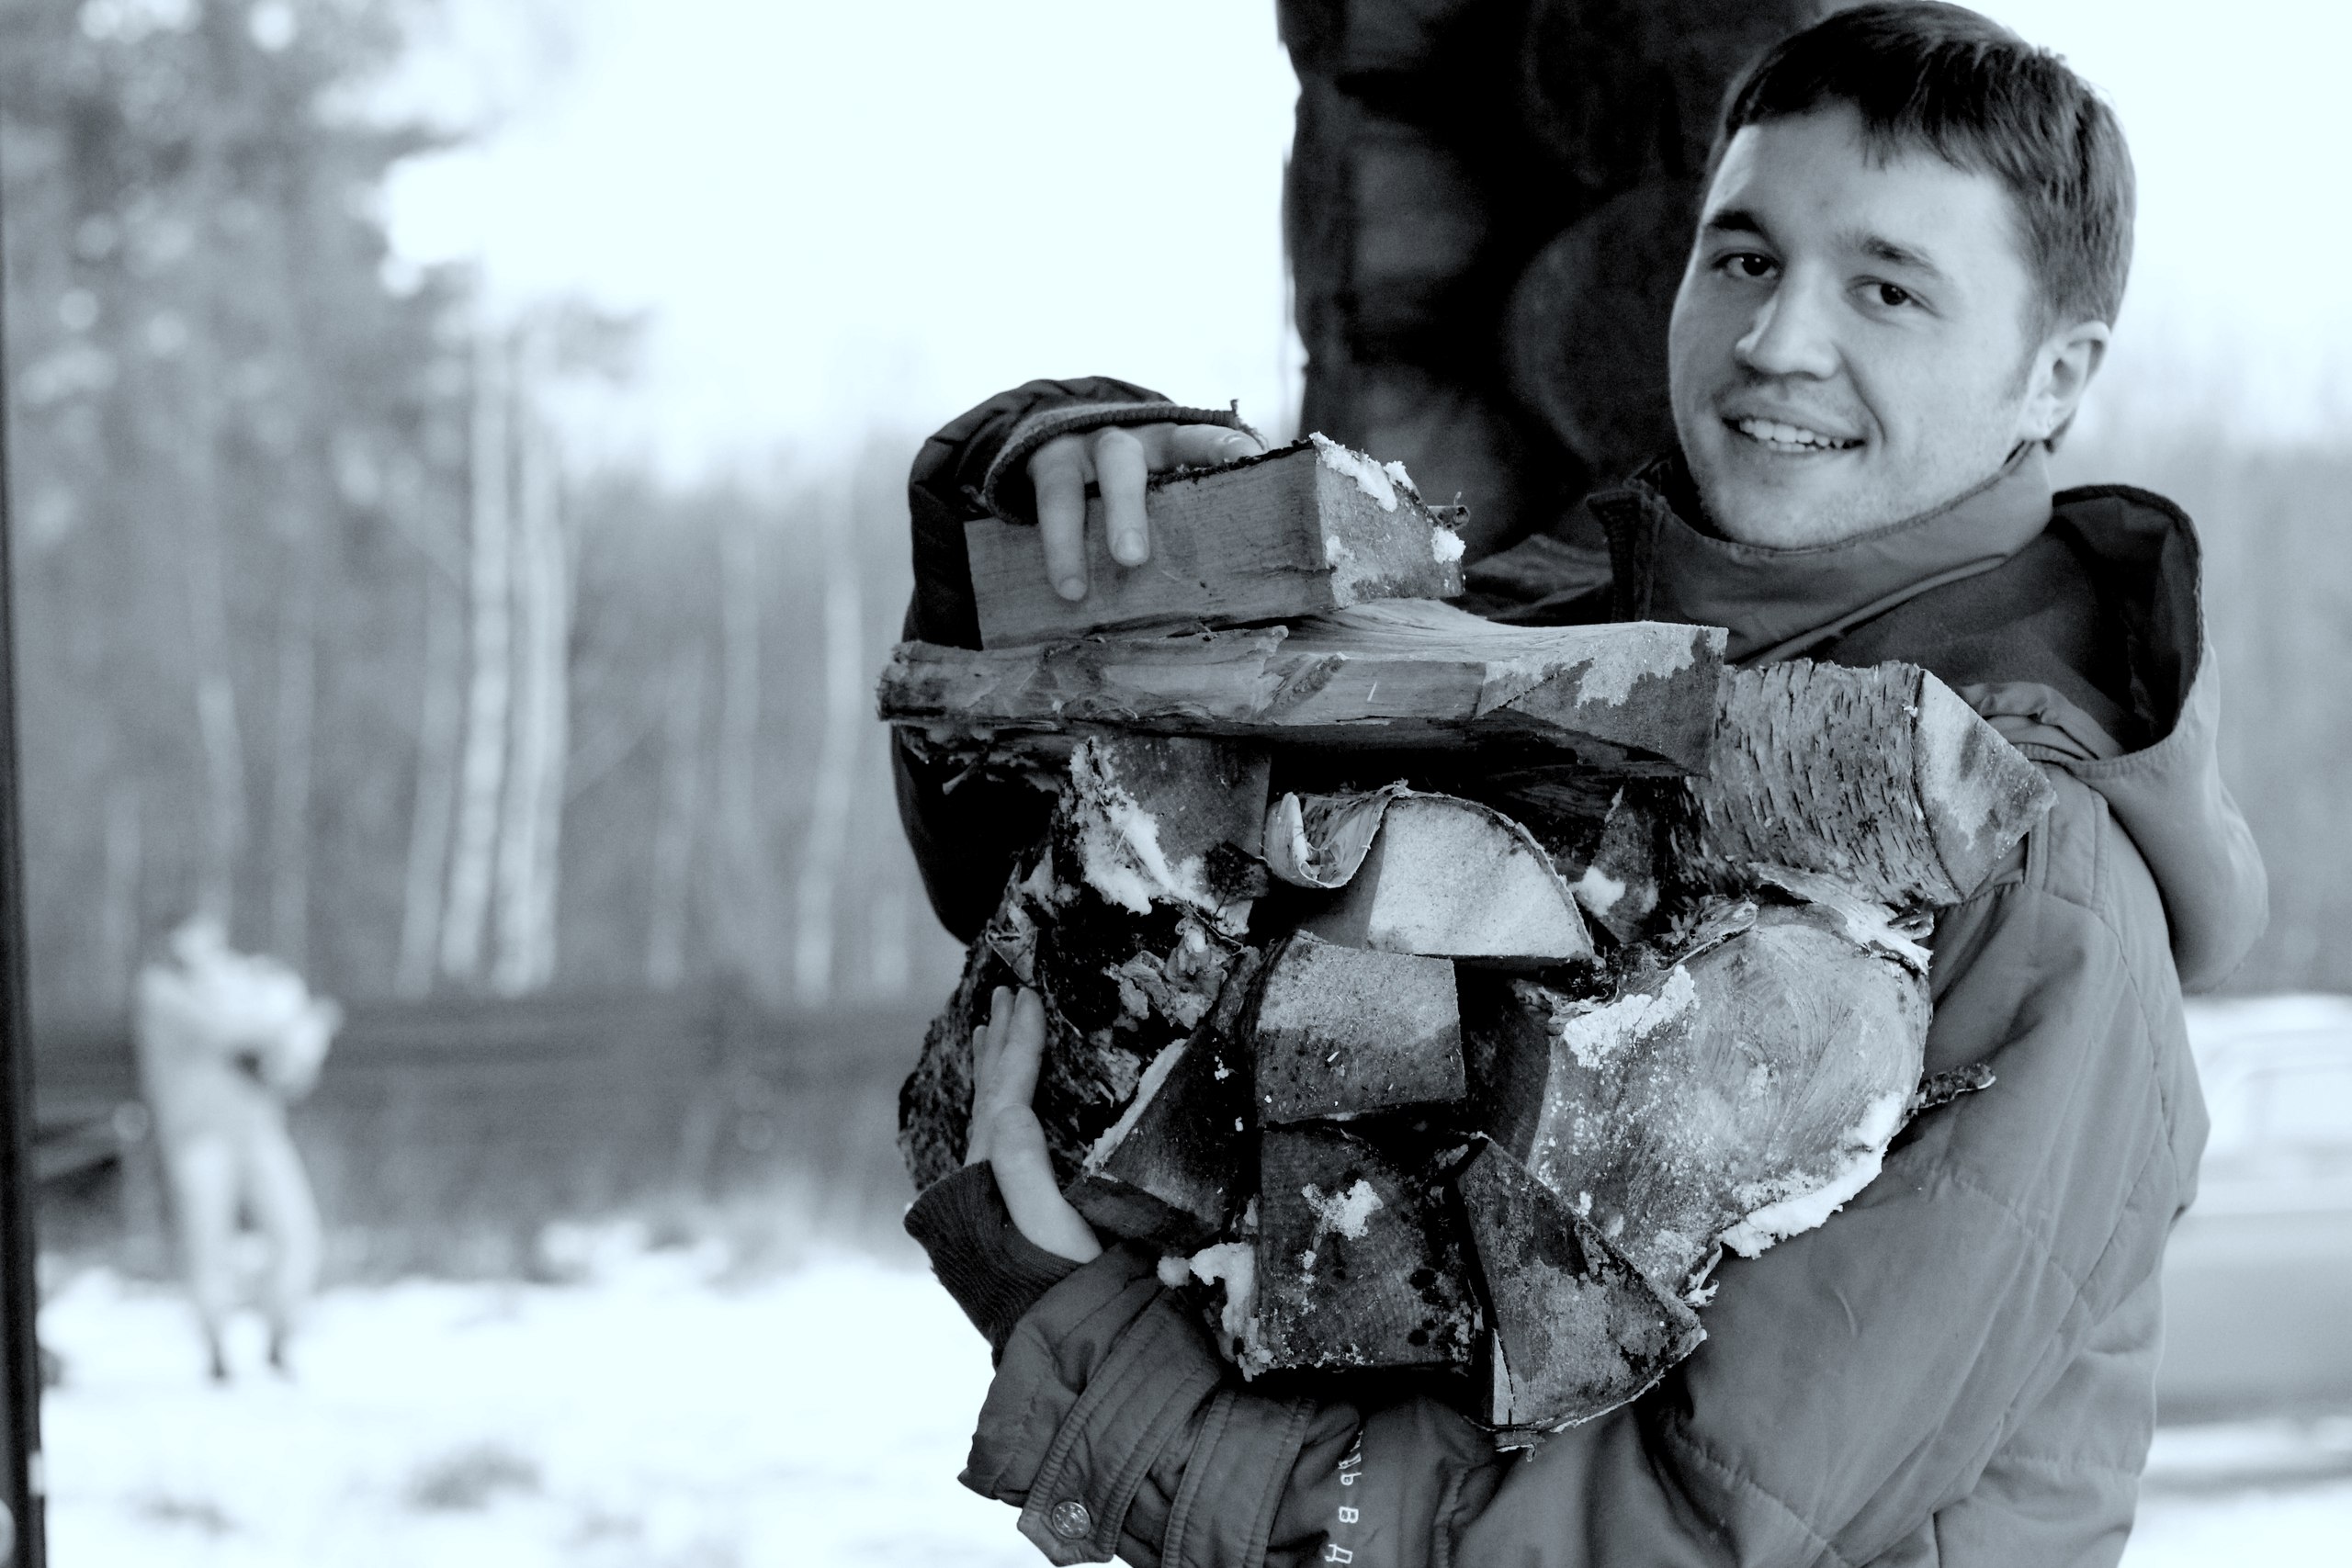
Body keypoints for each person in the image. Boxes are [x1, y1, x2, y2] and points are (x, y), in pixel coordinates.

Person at [892, 5, 2268, 1563]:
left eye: (1887, 288)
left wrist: (1113, 1376)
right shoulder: (1533, 652)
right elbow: (1073, 922)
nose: (1778, 340)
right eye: (1744, 257)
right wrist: (1044, 494)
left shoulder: (2034, 883)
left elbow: (1669, 1531)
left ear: (2054, 375)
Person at [133, 918, 341, 1381]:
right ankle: (216, 1347)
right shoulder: (162, 990)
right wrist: (296, 1019)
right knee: (208, 1243)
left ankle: (280, 1336)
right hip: (197, 1138)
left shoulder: (242, 985)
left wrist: (300, 1040)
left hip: (258, 1132)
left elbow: (286, 1073)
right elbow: (224, 1030)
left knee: (297, 1233)